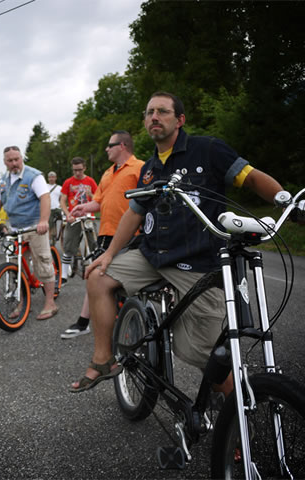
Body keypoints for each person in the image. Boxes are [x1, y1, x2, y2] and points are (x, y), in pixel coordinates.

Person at [70, 92, 283, 392]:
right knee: (97, 277)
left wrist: (285, 201)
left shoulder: (208, 149)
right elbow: (133, 215)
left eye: (162, 112)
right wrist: (109, 255)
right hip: (152, 255)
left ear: (180, 120)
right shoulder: (149, 169)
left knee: (203, 354)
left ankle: (234, 428)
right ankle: (103, 359)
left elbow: (250, 178)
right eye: (149, 112)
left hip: (197, 262)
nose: (154, 117)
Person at [61, 131, 144, 339]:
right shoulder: (107, 173)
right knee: (95, 275)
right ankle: (84, 323)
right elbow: (99, 202)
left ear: (123, 146)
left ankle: (137, 326)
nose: (106, 149)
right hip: (106, 234)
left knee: (126, 281)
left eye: (110, 145)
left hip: (131, 234)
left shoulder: (140, 168)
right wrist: (82, 207)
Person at [0, 145, 58, 320]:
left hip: (35, 227)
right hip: (15, 229)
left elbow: (45, 198)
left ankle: (50, 303)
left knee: (43, 262)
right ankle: (23, 303)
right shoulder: (4, 179)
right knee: (15, 267)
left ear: (21, 158)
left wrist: (43, 221)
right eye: (10, 160)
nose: (14, 163)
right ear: (5, 162)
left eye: (17, 159)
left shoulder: (33, 176)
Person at [59, 157, 98, 283]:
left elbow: (98, 198)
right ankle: (63, 276)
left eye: (80, 170)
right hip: (74, 217)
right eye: (75, 170)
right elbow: (62, 201)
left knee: (94, 244)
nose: (77, 173)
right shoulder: (68, 182)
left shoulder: (90, 181)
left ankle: (96, 271)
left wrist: (90, 194)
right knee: (69, 245)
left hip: (88, 217)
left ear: (84, 168)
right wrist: (68, 214)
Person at [46, 171, 62, 245]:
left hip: (57, 208)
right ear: (48, 178)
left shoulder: (59, 188)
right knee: (50, 224)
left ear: (55, 178)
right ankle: (49, 241)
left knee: (65, 221)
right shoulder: (45, 186)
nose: (51, 179)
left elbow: (61, 199)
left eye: (53, 177)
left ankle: (62, 234)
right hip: (49, 209)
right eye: (50, 177)